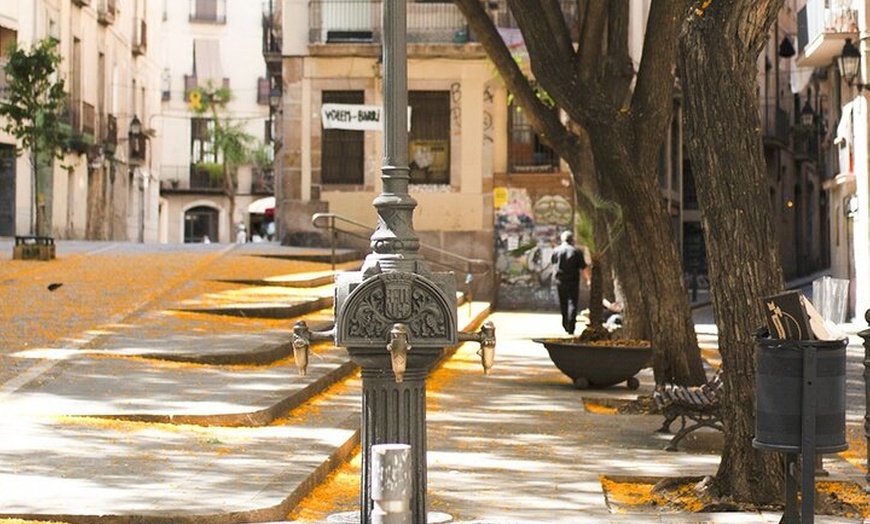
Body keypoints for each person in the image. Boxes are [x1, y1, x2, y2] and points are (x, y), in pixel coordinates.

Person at [551, 230, 591, 335]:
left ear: (562, 240)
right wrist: (588, 279)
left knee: (563, 303)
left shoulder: (556, 251)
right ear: (572, 240)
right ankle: (571, 327)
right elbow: (584, 268)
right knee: (572, 303)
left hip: (560, 281)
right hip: (573, 281)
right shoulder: (576, 252)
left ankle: (565, 324)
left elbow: (553, 264)